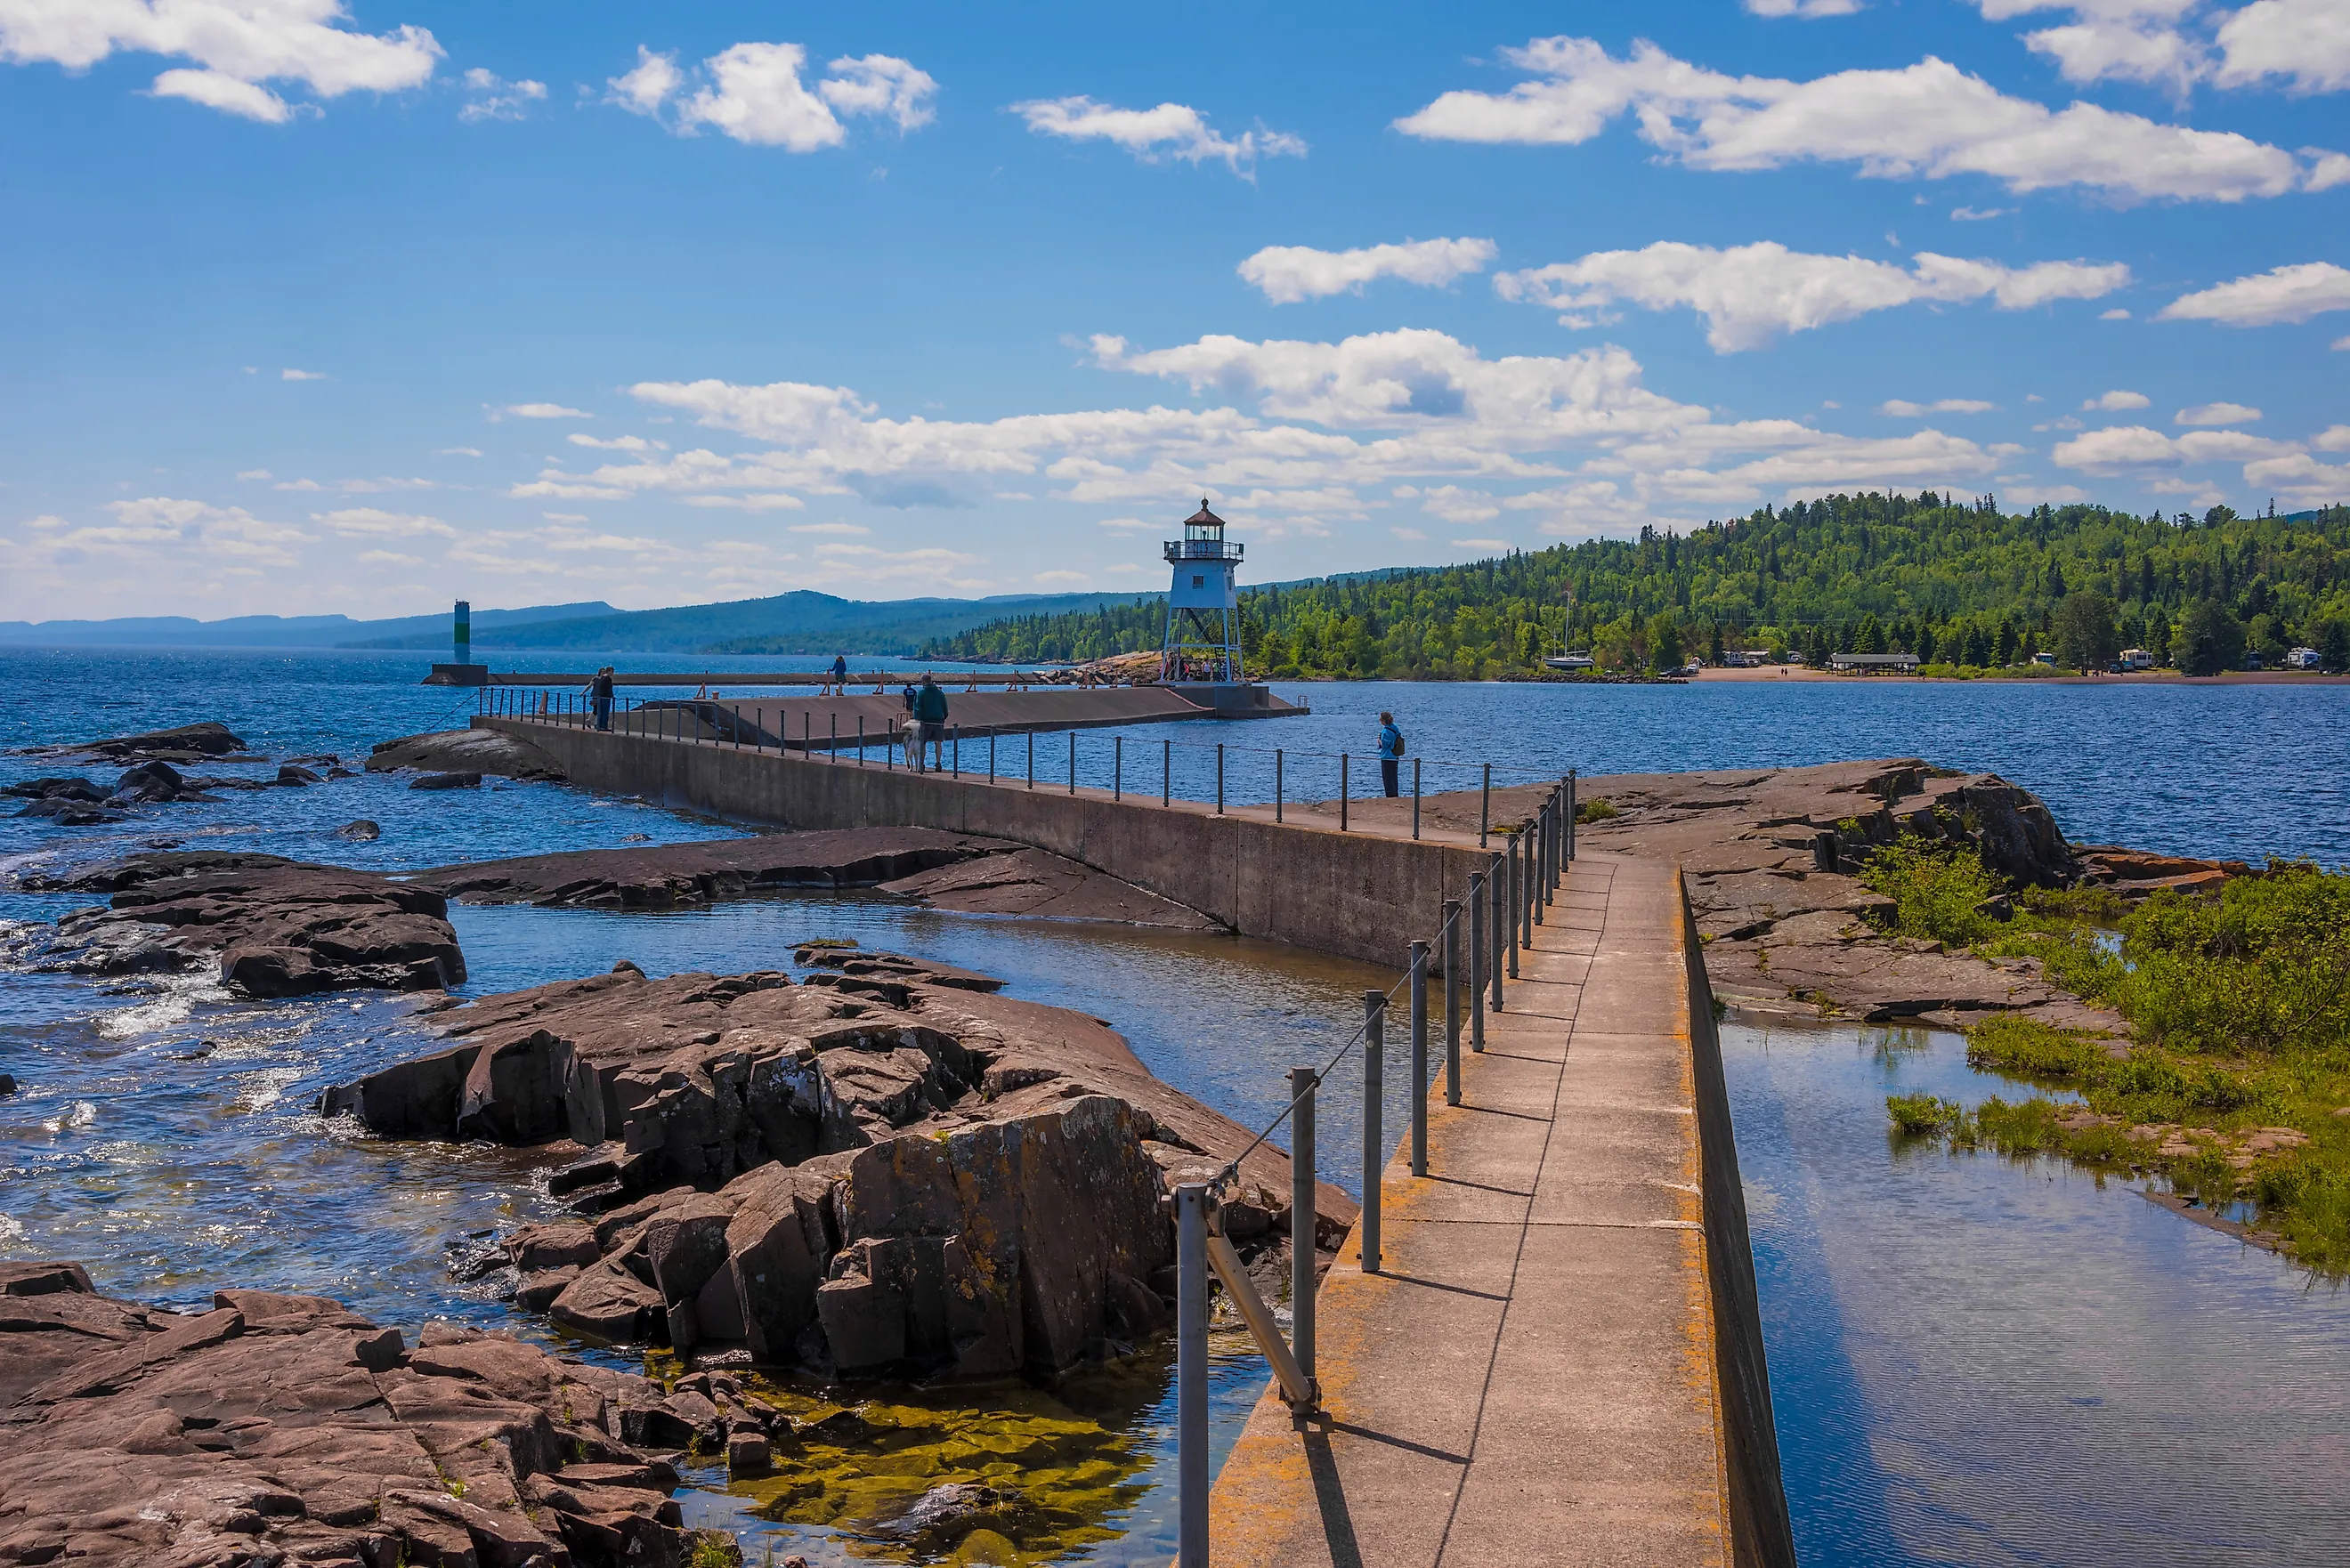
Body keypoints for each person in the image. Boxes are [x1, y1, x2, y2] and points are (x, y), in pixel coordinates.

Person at [911, 671, 950, 771]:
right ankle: (938, 763)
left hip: (925, 722)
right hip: (939, 720)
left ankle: (921, 764)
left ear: (923, 682)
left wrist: (917, 720)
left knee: (922, 743)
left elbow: (917, 708)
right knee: (938, 742)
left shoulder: (921, 693)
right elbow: (945, 708)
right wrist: (943, 717)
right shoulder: (940, 693)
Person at [1377, 710, 1404, 797]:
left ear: (1383, 720)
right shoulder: (1395, 728)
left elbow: (1385, 744)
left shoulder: (1386, 731)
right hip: (1395, 756)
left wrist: (1379, 741)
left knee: (1387, 779)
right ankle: (1395, 795)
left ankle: (1390, 796)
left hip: (1387, 757)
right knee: (1394, 778)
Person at [587, 667, 615, 732]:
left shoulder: (602, 678)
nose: (613, 673)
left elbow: (601, 687)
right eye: (612, 671)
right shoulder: (607, 678)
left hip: (601, 696)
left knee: (600, 711)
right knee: (605, 712)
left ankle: (599, 725)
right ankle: (603, 726)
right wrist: (611, 695)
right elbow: (608, 688)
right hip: (606, 697)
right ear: (609, 671)